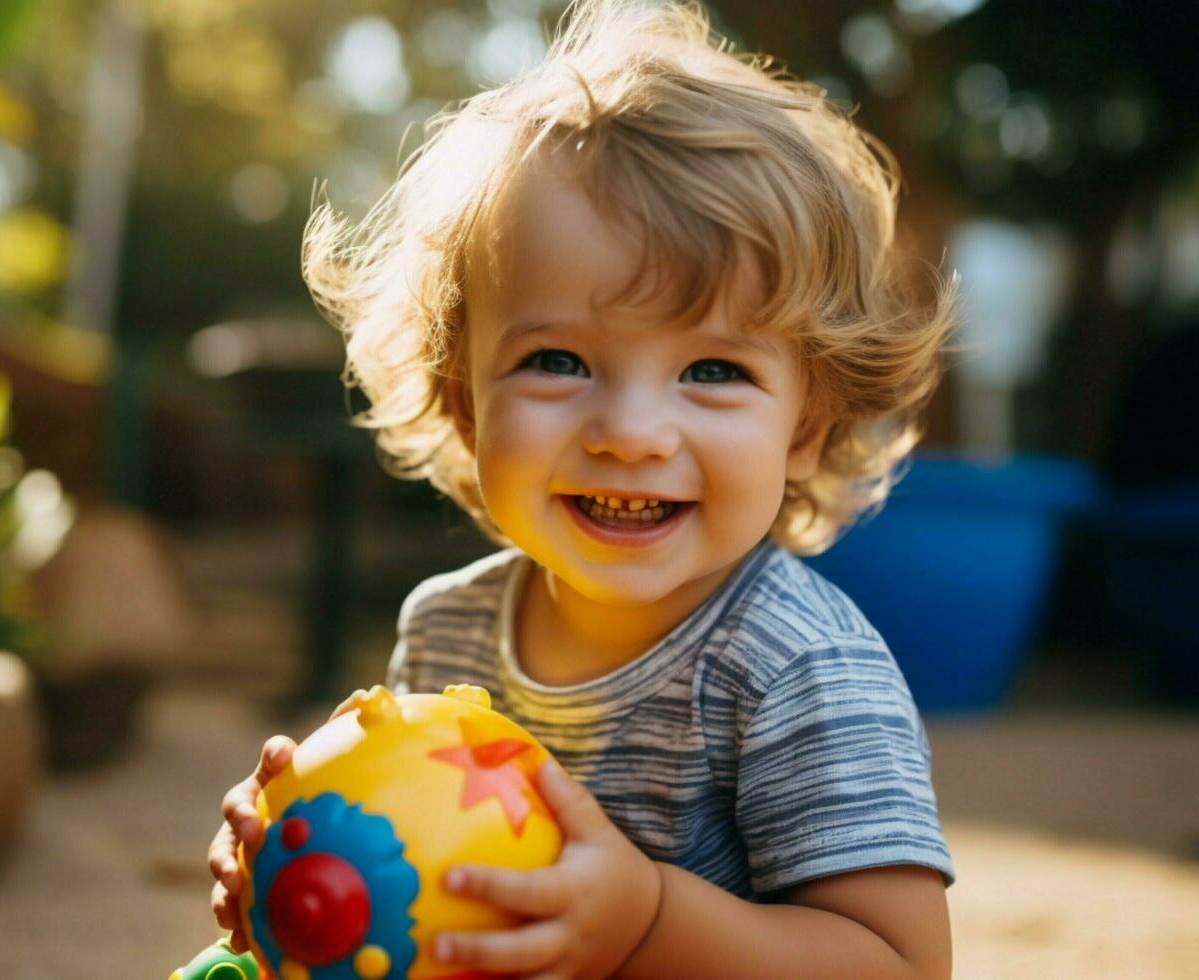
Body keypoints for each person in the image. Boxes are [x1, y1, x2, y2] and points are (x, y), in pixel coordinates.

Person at [208, 1, 957, 975]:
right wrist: (300, 865)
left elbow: (901, 964)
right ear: (465, 402)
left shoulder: (799, 669)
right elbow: (415, 878)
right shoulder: (446, 631)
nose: (632, 434)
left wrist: (647, 919)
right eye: (559, 359)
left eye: (714, 371)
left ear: (806, 427)